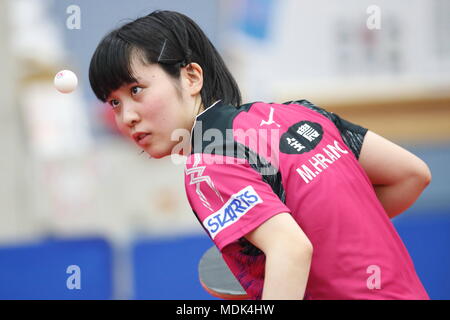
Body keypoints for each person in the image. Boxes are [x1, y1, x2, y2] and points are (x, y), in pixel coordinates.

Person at [89, 10, 432, 300]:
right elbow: (412, 175)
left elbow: (291, 250)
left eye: (137, 90)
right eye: (115, 102)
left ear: (191, 77)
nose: (126, 117)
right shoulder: (301, 115)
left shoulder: (209, 163)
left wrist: (295, 252)